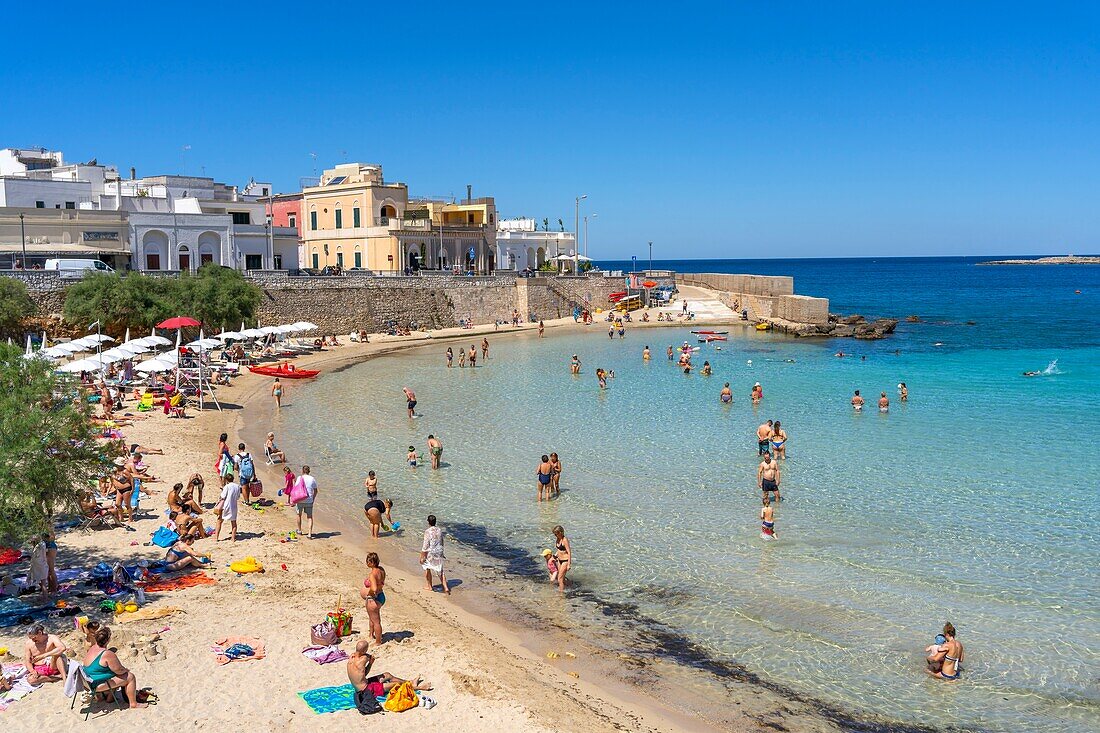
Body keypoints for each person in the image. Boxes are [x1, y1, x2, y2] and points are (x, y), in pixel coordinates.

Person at [347, 640, 433, 706]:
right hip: (366, 690)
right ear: (364, 650)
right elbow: (366, 669)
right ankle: (419, 687)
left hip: (361, 684)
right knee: (396, 684)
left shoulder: (352, 657)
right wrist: (370, 663)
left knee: (387, 675)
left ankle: (410, 682)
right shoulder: (364, 659)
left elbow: (361, 675)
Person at [82, 625, 146, 709]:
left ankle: (109, 698)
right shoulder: (107, 654)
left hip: (87, 682)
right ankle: (133, 704)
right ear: (108, 640)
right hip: (96, 685)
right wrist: (126, 670)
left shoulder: (92, 648)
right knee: (130, 677)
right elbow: (119, 670)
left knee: (110, 672)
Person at [360, 553, 387, 646]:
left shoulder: (372, 574)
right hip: (381, 596)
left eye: (367, 561)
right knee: (372, 617)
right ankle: (371, 634)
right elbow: (380, 583)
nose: (366, 562)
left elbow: (374, 588)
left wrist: (369, 593)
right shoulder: (381, 570)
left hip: (374, 599)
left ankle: (378, 641)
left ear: (371, 562)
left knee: (376, 621)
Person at [420, 515, 449, 594]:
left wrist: (422, 556)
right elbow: (442, 541)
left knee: (426, 567)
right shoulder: (439, 530)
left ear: (428, 522)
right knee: (440, 570)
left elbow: (425, 545)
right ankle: (446, 587)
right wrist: (442, 552)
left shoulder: (427, 531)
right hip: (439, 551)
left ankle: (429, 586)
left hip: (431, 553)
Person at [214, 471, 241, 542]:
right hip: (234, 506)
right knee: (233, 522)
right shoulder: (237, 486)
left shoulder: (227, 486)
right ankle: (233, 538)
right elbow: (238, 497)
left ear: (226, 480)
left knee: (219, 521)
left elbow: (223, 496)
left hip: (225, 505)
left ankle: (216, 537)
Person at [296, 465, 318, 538]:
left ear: (302, 471)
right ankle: (309, 534)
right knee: (309, 517)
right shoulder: (312, 479)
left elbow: (296, 488)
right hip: (309, 500)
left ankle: (299, 530)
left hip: (300, 499)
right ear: (309, 471)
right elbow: (316, 491)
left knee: (299, 515)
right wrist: (313, 499)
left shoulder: (299, 478)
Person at [552, 525, 572, 592]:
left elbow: (569, 552)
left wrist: (569, 564)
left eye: (556, 534)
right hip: (559, 560)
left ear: (560, 532)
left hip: (565, 561)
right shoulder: (557, 539)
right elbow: (559, 550)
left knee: (559, 579)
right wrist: (555, 555)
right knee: (560, 577)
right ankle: (570, 585)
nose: (555, 535)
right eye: (554, 534)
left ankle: (561, 594)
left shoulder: (565, 540)